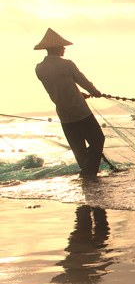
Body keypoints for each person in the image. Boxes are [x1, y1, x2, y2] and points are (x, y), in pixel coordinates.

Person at [34, 28, 106, 177]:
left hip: (64, 115)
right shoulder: (67, 65)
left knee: (79, 150)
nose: (64, 48)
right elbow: (82, 81)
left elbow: (57, 87)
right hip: (81, 112)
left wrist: (79, 94)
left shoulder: (39, 68)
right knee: (98, 140)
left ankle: (89, 182)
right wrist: (95, 92)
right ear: (55, 48)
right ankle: (88, 176)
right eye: (61, 46)